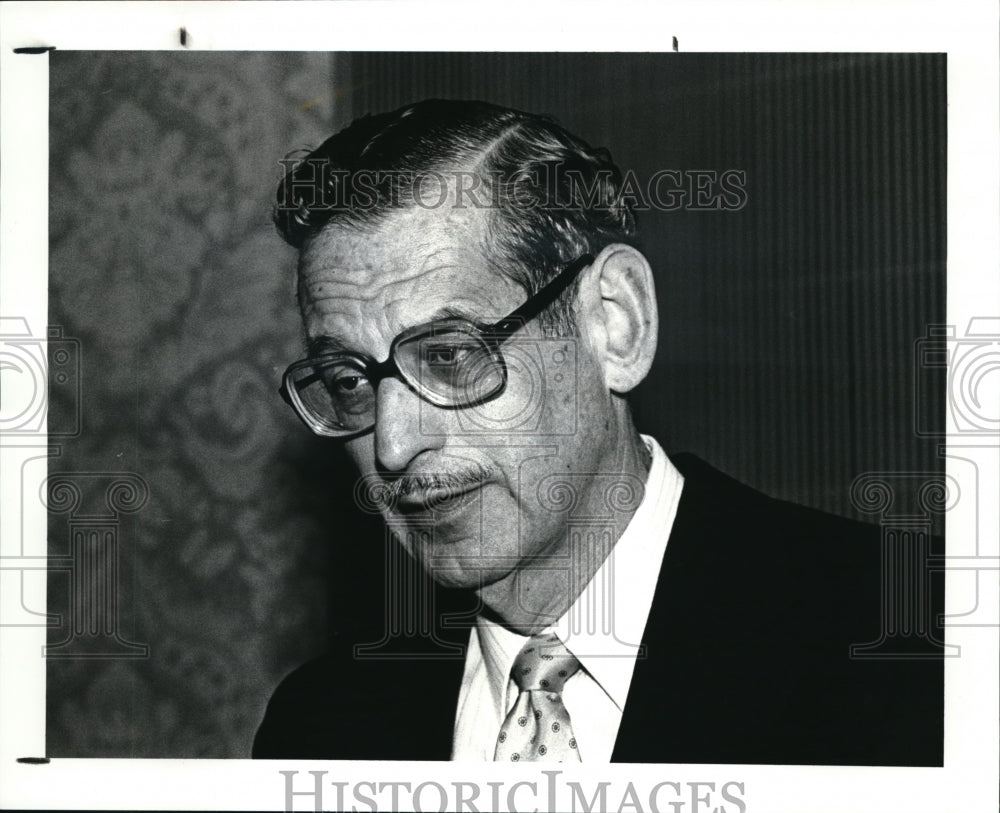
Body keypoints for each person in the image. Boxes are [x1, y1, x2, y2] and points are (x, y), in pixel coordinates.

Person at [252, 99, 943, 765]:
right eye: (348, 381)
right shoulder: (320, 725)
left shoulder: (918, 648)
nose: (393, 445)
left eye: (449, 355)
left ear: (614, 324)